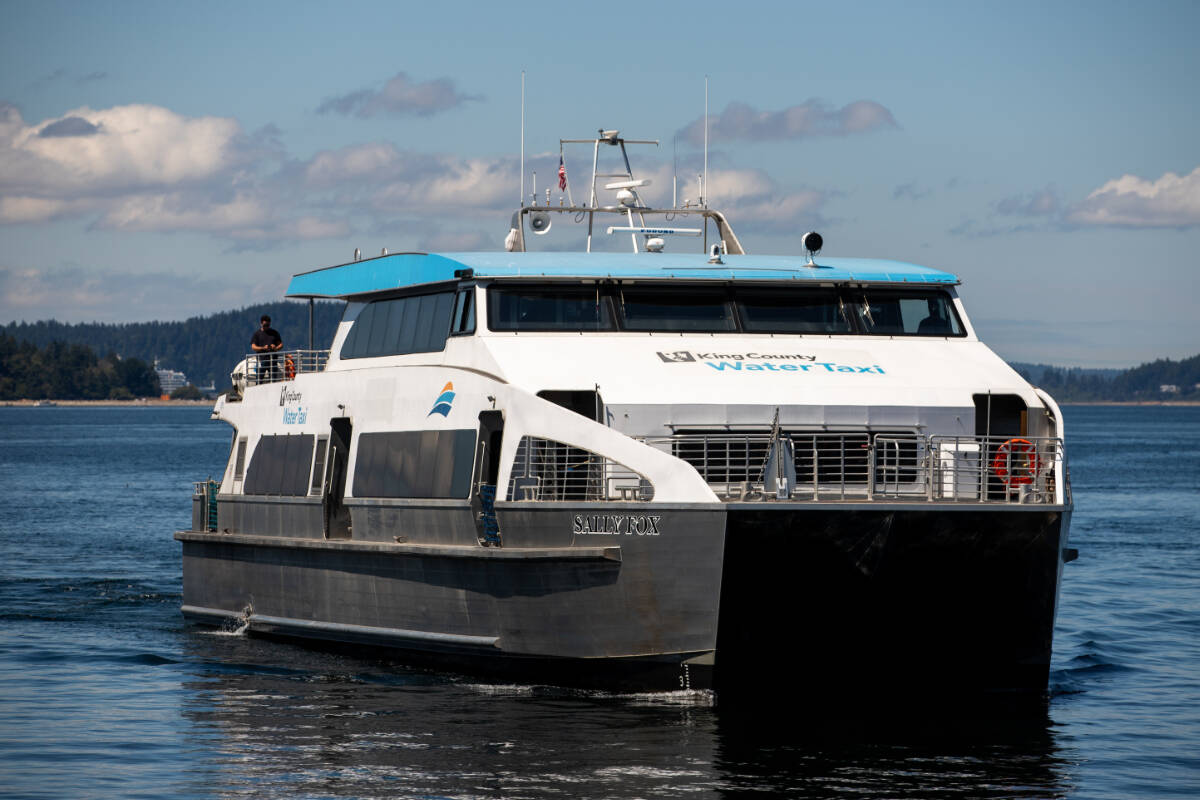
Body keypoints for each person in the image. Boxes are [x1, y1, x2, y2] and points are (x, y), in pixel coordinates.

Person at [251, 314, 283, 381]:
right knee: (259, 380)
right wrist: (263, 348)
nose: (266, 327)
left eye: (268, 325)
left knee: (273, 380)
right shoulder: (257, 334)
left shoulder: (274, 333)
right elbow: (253, 347)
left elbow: (281, 345)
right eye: (265, 325)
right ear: (261, 324)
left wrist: (275, 348)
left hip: (273, 360)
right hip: (261, 360)